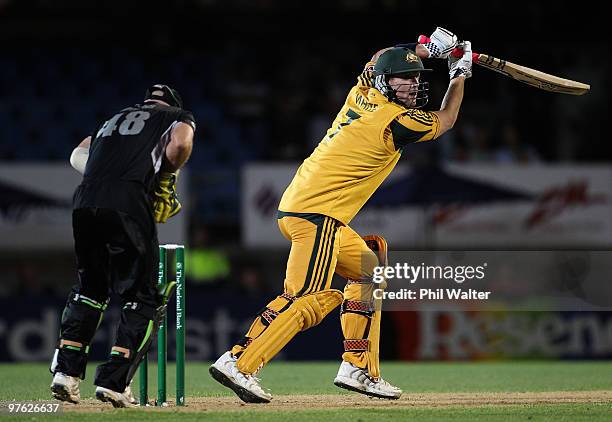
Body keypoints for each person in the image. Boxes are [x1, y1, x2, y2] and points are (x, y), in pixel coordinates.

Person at [209, 28, 472, 403]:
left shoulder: (362, 92)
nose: (414, 86)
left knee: (368, 266)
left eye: (417, 78)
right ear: (386, 81)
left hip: (308, 209)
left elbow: (383, 53)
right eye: (406, 79)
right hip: (317, 214)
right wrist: (459, 74)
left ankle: (358, 367)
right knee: (303, 298)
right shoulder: (395, 122)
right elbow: (446, 120)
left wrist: (427, 50)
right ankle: (240, 363)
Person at [49, 84, 195, 407]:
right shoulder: (177, 116)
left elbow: (77, 155)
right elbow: (181, 143)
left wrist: (109, 173)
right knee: (143, 295)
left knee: (90, 288)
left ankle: (65, 374)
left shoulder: (112, 119)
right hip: (128, 201)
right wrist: (167, 174)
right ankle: (114, 382)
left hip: (85, 200)